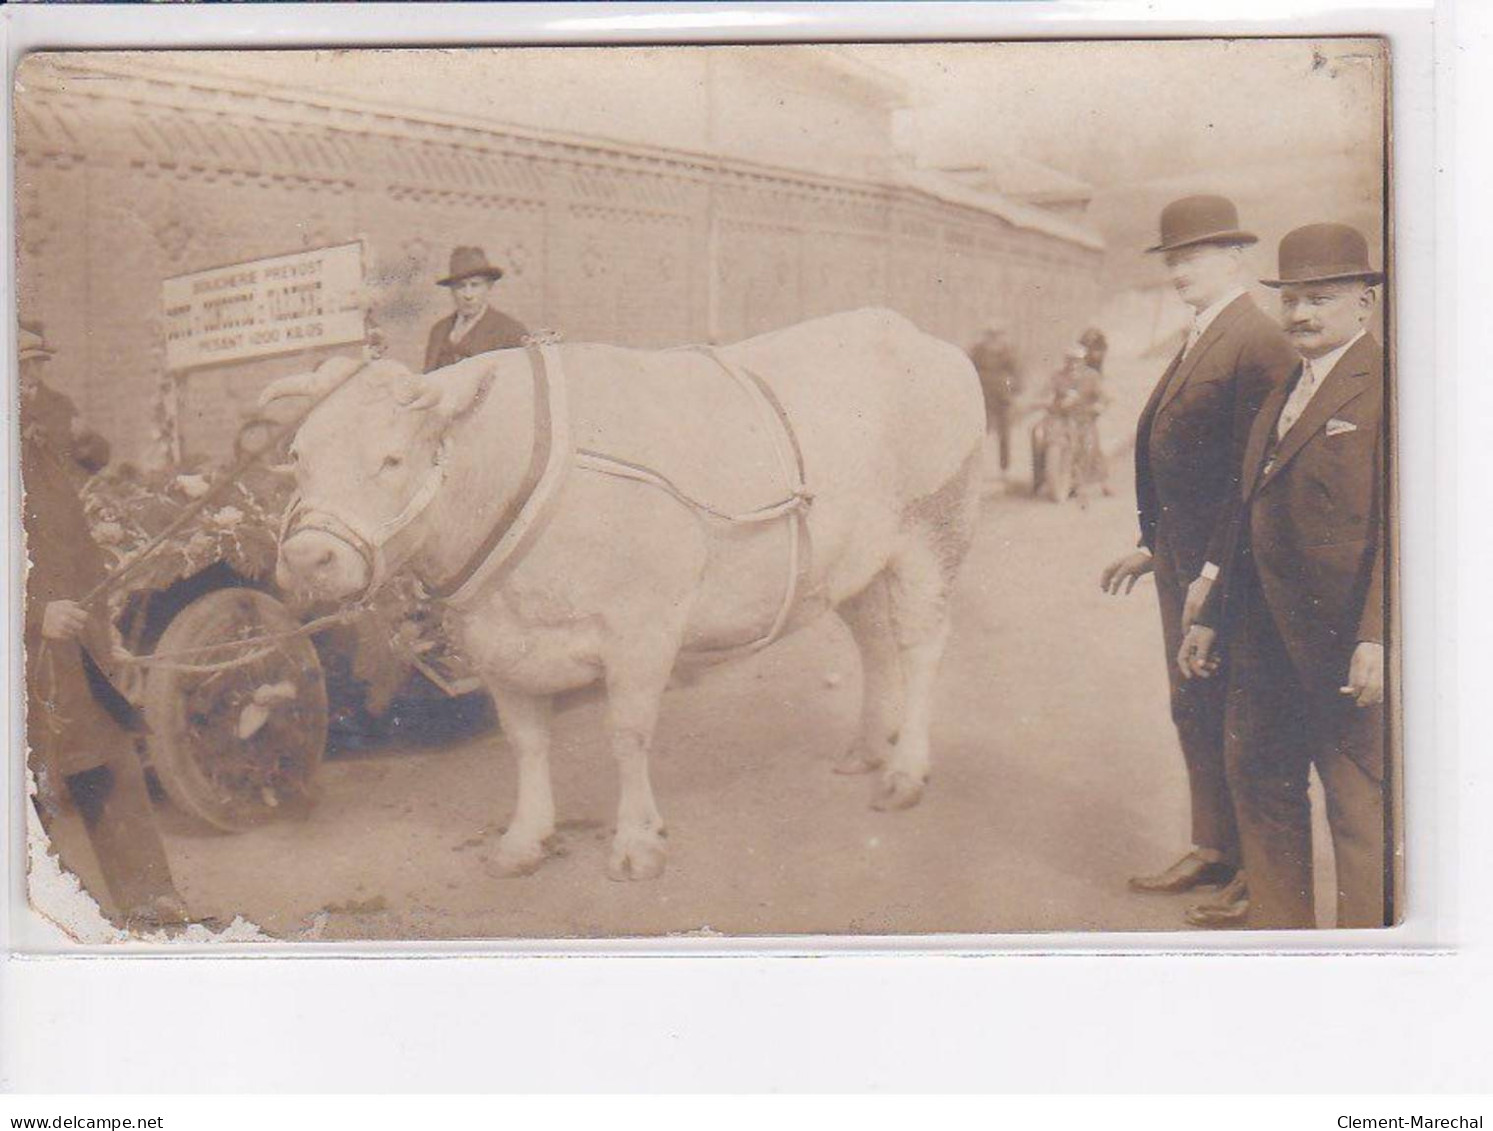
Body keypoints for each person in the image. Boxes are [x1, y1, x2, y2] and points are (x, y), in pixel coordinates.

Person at [1178, 223, 1389, 929]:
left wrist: (1377, 637)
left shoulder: (1389, 389)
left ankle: (1372, 970)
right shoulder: (1281, 392)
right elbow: (1246, 514)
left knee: (1358, 815)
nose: (1299, 315)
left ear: (1362, 303)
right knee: (1262, 794)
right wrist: (1210, 617)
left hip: (1342, 648)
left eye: (1319, 300)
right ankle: (1284, 953)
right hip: (1261, 644)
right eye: (1290, 299)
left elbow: (1406, 529)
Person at [1099, 195, 1296, 926]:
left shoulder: (1256, 341)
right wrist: (1154, 548)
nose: (1180, 270)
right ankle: (1214, 846)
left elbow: (1252, 482)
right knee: (1194, 706)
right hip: (1184, 562)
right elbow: (1186, 461)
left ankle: (1257, 871)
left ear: (1236, 258)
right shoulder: (1201, 333)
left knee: (1238, 713)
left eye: (1196, 256)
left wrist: (1212, 575)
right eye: (1172, 258)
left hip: (1231, 572)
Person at [20, 324, 189, 928]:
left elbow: (76, 544)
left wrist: (102, 623)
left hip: (74, 649)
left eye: (37, 366)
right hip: (25, 660)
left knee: (110, 766)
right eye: (21, 368)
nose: (32, 382)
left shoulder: (42, 442)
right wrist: (34, 613)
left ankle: (157, 915)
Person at [423, 246, 528, 373]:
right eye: (460, 286)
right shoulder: (439, 330)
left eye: (475, 285)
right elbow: (427, 380)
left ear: (489, 286)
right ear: (451, 290)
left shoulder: (510, 331)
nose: (468, 295)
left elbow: (520, 384)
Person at [968, 322, 1024, 475]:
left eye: (997, 334)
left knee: (1004, 432)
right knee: (978, 431)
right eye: (990, 334)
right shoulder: (977, 351)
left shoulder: (1008, 351)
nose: (993, 338)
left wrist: (1015, 391)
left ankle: (1004, 468)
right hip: (982, 395)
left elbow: (1017, 373)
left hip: (1002, 396)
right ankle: (975, 468)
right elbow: (968, 369)